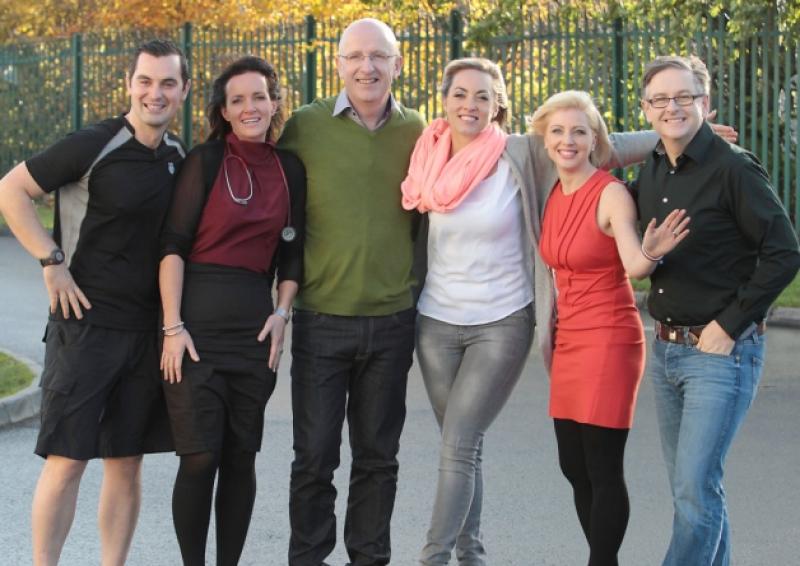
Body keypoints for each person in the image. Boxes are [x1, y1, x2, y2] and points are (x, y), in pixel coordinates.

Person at [0, 40, 190, 566]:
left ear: (184, 91)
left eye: (168, 83)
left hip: (143, 333)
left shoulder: (178, 157)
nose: (156, 93)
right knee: (67, 461)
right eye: (146, 81)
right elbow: (10, 190)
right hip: (82, 329)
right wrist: (50, 260)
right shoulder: (94, 144)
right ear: (129, 84)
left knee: (126, 462)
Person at [634, 55, 800, 566]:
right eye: (660, 99)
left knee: (693, 490)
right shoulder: (652, 167)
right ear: (645, 110)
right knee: (697, 491)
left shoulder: (733, 168)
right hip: (665, 351)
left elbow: (784, 250)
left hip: (719, 354)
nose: (672, 107)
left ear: (704, 103)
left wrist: (731, 324)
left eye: (684, 96)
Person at [277, 18, 425, 566]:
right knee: (313, 459)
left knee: (378, 458)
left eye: (379, 56)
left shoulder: (420, 131)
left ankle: (370, 559)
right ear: (339, 64)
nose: (367, 67)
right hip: (321, 319)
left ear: (397, 63)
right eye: (356, 56)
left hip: (392, 322)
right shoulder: (304, 127)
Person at [529, 90, 689, 566]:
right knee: (572, 465)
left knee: (601, 466)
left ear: (596, 138)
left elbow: (635, 264)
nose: (568, 140)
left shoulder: (610, 192)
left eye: (580, 130)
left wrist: (654, 248)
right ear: (545, 140)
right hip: (569, 340)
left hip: (609, 338)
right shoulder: (553, 192)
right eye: (558, 131)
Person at [158, 56, 305, 566]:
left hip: (253, 332)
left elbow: (292, 255)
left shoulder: (289, 169)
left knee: (241, 457)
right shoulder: (205, 160)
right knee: (200, 457)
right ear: (223, 110)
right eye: (237, 99)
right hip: (193, 329)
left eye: (259, 96)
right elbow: (173, 245)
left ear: (274, 102)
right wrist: (171, 326)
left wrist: (281, 314)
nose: (250, 107)